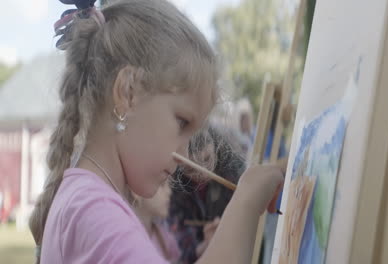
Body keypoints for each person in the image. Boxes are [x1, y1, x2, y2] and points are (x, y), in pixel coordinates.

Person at [29, 0, 283, 263]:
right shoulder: (92, 208)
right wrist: (247, 202)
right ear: (128, 93)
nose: (184, 153)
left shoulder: (88, 200)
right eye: (182, 122)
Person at [169, 124, 246, 263]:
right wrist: (205, 244)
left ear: (214, 145)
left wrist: (231, 222)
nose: (203, 173)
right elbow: (180, 248)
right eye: (192, 169)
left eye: (207, 159)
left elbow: (247, 208)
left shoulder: (231, 167)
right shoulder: (175, 188)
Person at [136, 181, 181, 263]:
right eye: (162, 185)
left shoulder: (165, 238)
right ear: (136, 193)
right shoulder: (129, 241)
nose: (169, 192)